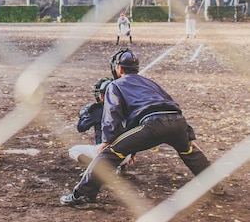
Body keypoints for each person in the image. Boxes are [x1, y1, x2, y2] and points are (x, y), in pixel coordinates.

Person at [60, 48, 224, 207]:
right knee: (189, 151)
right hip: (177, 120)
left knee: (110, 153)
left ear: (118, 68)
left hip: (152, 123)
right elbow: (172, 104)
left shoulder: (115, 85)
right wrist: (188, 135)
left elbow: (112, 114)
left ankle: (82, 195)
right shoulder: (150, 83)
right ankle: (214, 183)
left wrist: (107, 140)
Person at [69, 77, 131, 170]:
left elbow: (81, 127)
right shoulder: (127, 109)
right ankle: (121, 168)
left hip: (104, 153)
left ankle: (96, 167)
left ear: (102, 96)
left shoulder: (97, 110)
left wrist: (84, 115)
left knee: (73, 150)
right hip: (126, 156)